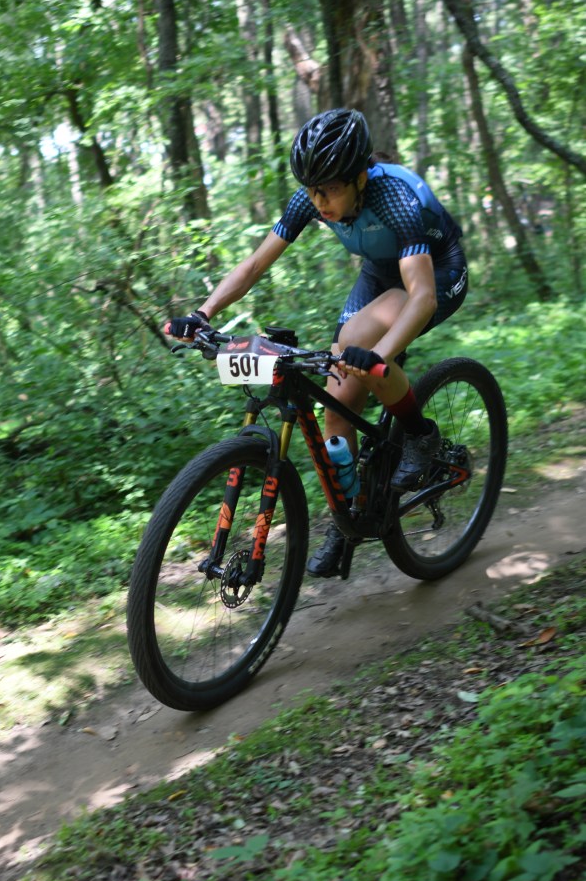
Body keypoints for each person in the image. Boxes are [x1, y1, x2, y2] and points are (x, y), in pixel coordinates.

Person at [167, 108, 468, 578]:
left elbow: (421, 297)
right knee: (336, 400)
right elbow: (253, 265)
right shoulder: (311, 198)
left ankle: (421, 436)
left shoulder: (396, 197)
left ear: (359, 178)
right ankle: (346, 520)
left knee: (359, 346)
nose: (318, 200)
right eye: (311, 189)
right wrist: (202, 313)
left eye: (328, 188)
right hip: (378, 276)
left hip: (435, 272)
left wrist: (379, 356)